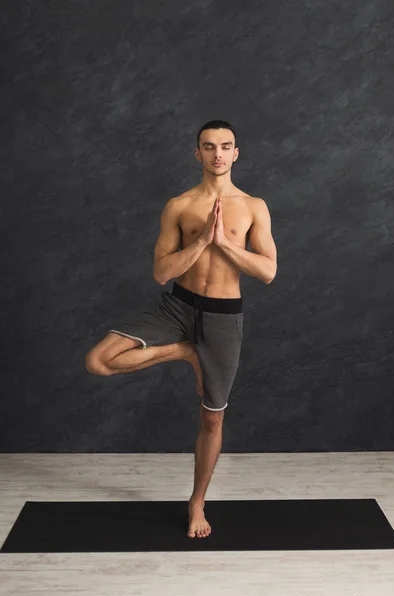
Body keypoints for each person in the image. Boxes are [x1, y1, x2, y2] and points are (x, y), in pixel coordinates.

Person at [85, 119, 277, 539]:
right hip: (177, 307)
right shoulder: (179, 205)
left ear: (236, 153)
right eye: (209, 147)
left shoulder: (253, 206)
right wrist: (202, 242)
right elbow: (160, 273)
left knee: (212, 420)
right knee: (98, 361)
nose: (218, 154)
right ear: (197, 154)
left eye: (226, 146)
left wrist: (226, 245)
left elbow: (268, 271)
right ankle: (185, 351)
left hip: (224, 316)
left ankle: (197, 502)